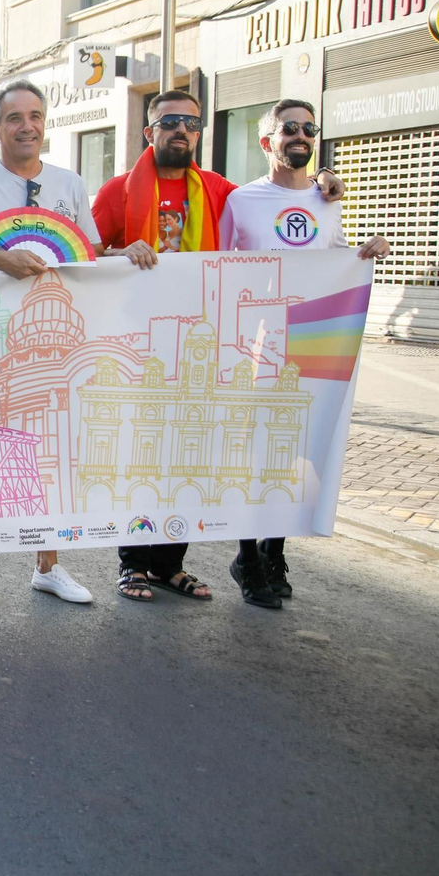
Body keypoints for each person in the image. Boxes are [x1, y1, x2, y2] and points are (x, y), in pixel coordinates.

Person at [91, 89, 344, 602]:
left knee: (188, 456)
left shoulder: (218, 190)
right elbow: (85, 253)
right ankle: (134, 564)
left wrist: (321, 180)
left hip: (200, 342)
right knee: (142, 454)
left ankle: (169, 565)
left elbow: (278, 192)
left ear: (200, 132)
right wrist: (120, 250)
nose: (180, 130)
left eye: (191, 122)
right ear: (150, 132)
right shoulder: (117, 191)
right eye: (169, 122)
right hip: (140, 340)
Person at [0, 79, 158, 607]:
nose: (27, 126)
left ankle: (48, 564)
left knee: (57, 449)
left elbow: (84, 253)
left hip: (54, 343)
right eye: (15, 118)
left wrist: (127, 253)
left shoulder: (69, 183)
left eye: (35, 116)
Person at [218, 98, 388, 610]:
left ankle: (276, 550)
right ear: (267, 140)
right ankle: (247, 556)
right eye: (289, 128)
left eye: (309, 129)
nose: (301, 136)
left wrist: (365, 252)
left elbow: (332, 258)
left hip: (310, 347)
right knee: (254, 453)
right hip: (256, 347)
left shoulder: (327, 199)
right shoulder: (242, 200)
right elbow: (219, 266)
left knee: (295, 449)